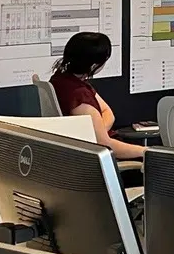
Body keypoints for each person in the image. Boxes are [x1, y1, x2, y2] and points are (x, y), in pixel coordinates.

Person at [48, 32, 144, 160]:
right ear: (93, 65)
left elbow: (107, 112)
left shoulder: (61, 80)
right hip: (106, 157)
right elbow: (104, 145)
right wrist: (146, 151)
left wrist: (98, 132)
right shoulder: (79, 96)